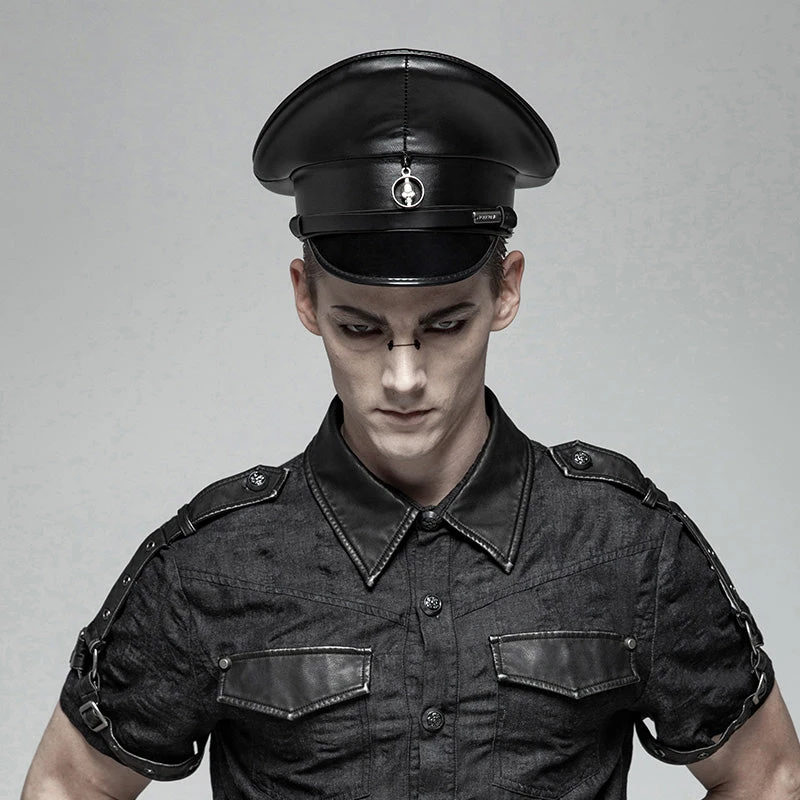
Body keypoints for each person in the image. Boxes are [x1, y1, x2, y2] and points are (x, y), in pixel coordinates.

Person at [21, 49, 800, 800]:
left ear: (505, 291)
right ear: (305, 298)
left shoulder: (626, 545)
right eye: (360, 329)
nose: (402, 377)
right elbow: (69, 783)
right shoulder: (211, 567)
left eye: (446, 324)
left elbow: (768, 774)